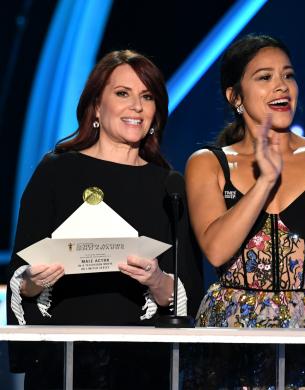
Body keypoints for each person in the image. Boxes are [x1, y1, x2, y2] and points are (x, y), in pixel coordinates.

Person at [7, 49, 203, 389]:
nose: (137, 107)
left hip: (142, 369)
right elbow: (21, 273)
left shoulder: (169, 185)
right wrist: (34, 282)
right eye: (123, 93)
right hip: (63, 363)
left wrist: (157, 281)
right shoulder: (56, 171)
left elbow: (188, 290)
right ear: (97, 106)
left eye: (147, 96)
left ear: (156, 113)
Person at [184, 34, 305, 389]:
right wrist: (265, 182)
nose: (281, 86)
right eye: (264, 77)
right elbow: (216, 249)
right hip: (231, 332)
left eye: (288, 75)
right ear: (235, 96)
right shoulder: (208, 163)